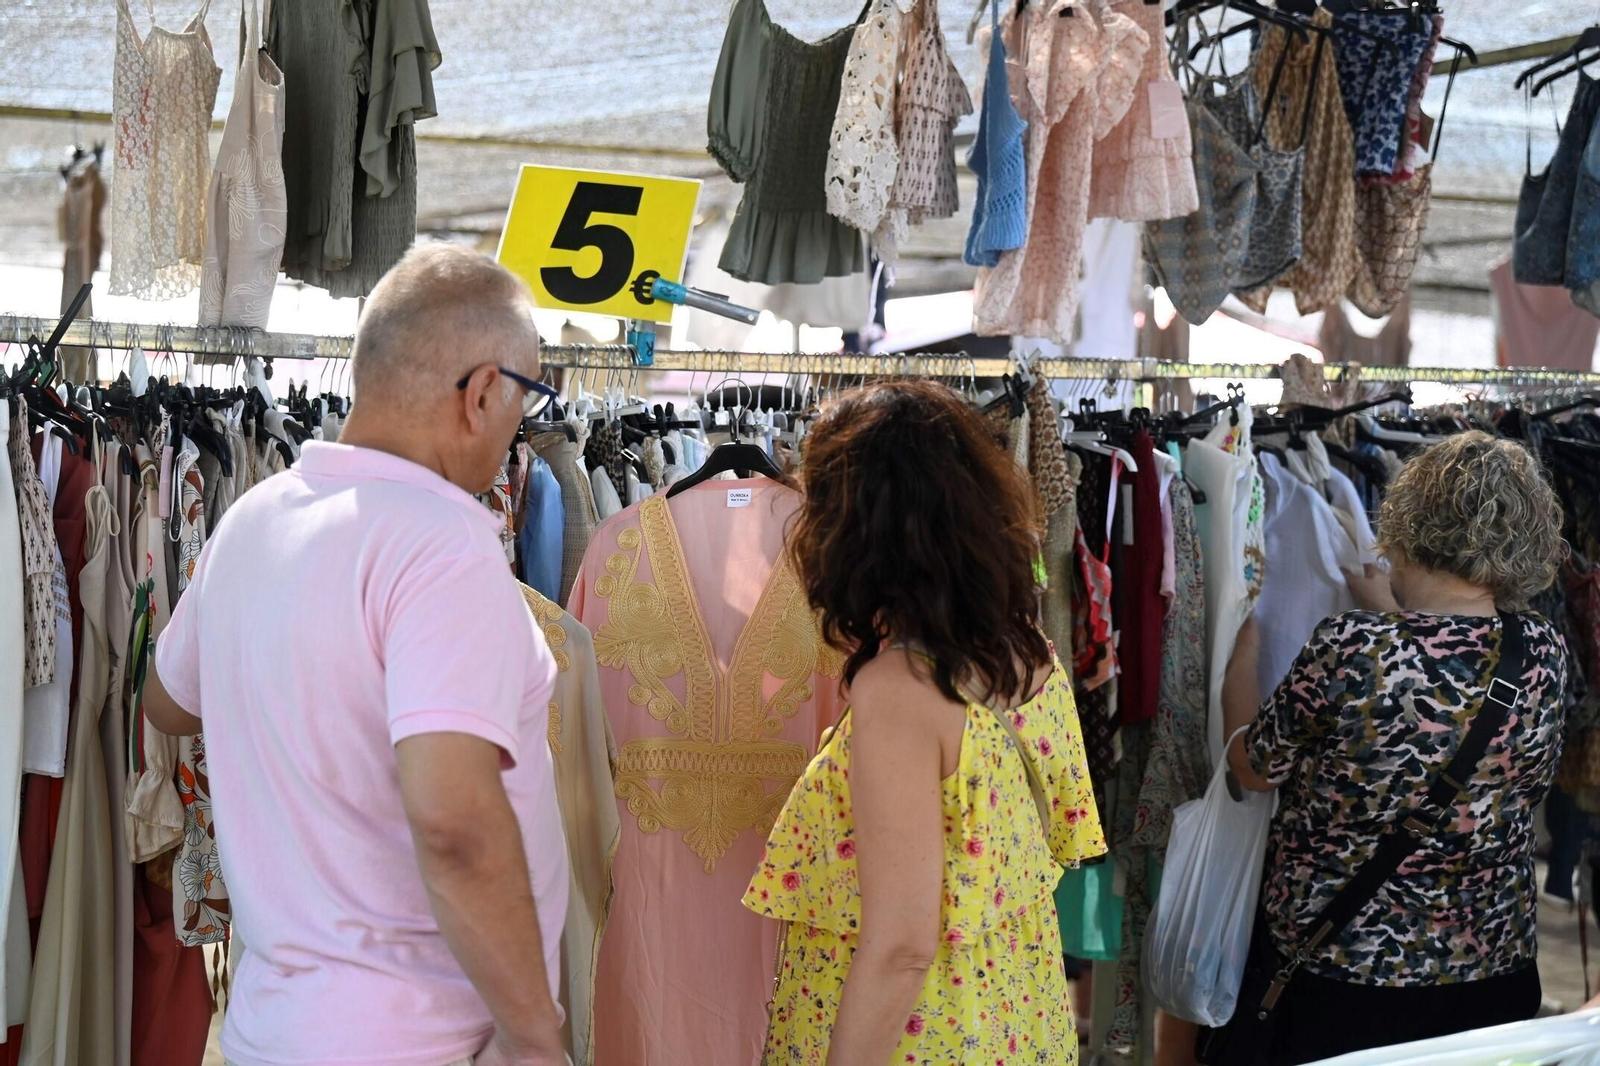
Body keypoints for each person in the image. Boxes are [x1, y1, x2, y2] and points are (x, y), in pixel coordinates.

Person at [142, 245, 570, 1066]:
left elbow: (165, 701)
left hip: (272, 1028)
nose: (528, 420)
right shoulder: (441, 544)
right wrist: (534, 1039)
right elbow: (454, 822)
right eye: (532, 397)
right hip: (417, 1040)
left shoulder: (254, 520)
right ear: (483, 394)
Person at [742, 380, 1107, 1065]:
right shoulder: (1027, 656)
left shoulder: (902, 693)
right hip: (1015, 1018)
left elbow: (903, 947)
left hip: (923, 1036)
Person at [1220, 430, 1570, 1064]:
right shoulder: (1541, 648)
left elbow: (1254, 768)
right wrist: (1391, 616)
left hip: (1346, 971)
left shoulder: (1351, 647)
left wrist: (1237, 663)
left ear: (1409, 522)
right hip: (1491, 971)